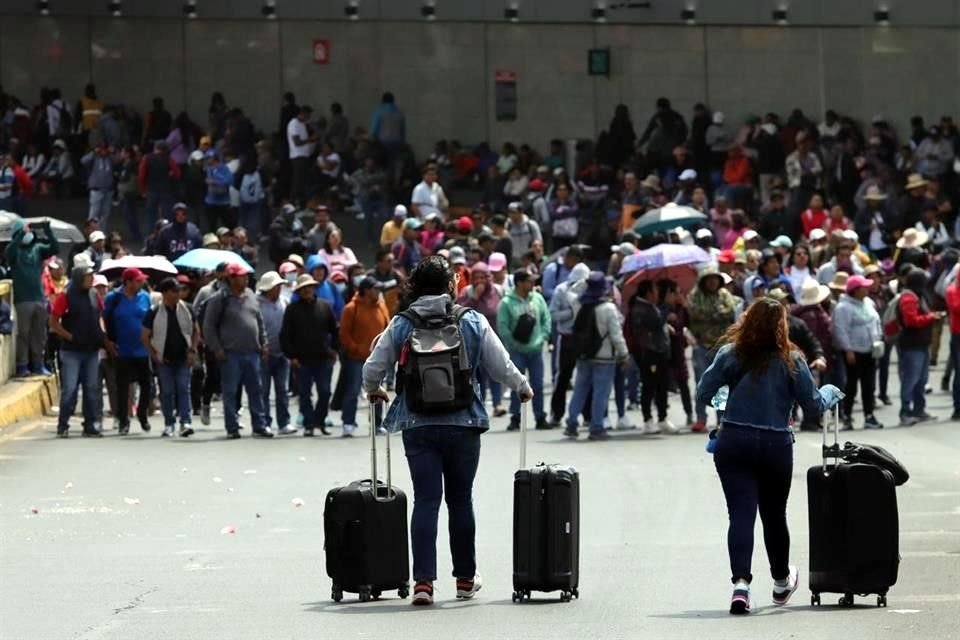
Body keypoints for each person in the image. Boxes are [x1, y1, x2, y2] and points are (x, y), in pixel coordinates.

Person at [361, 255, 531, 606]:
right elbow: (500, 364)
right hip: (463, 422)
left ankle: (423, 582)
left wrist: (374, 389)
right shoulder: (471, 320)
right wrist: (522, 386)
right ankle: (465, 579)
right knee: (460, 500)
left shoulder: (402, 323)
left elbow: (373, 367)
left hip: (417, 424)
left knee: (426, 500)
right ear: (451, 285)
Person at [696, 297, 842, 615]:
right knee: (774, 515)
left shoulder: (730, 354)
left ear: (747, 319)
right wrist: (830, 392)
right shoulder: (792, 359)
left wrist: (728, 399)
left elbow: (703, 392)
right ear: (782, 325)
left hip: (733, 440)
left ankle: (741, 585)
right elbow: (814, 405)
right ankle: (780, 581)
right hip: (776, 444)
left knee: (741, 515)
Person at [202, 262, 271, 439]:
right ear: (232, 278)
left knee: (256, 390)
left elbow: (259, 321)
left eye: (246, 275)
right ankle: (232, 427)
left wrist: (264, 343)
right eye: (241, 276)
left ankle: (259, 425)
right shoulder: (220, 299)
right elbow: (209, 326)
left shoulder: (251, 296)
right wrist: (216, 348)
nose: (246, 278)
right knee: (230, 391)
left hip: (252, 352)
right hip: (230, 353)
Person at [563, 272, 629, 441]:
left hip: (584, 355)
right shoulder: (609, 308)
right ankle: (596, 427)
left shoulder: (579, 304)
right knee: (601, 393)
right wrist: (624, 354)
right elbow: (616, 335)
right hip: (604, 357)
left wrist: (585, 282)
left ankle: (571, 423)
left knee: (580, 389)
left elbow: (571, 290)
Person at [50, 265, 106, 437]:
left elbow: (100, 317)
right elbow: (53, 322)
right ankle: (63, 424)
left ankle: (89, 425)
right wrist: (69, 337)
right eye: (88, 276)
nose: (91, 279)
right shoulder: (65, 296)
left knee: (91, 388)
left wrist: (103, 335)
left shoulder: (95, 295)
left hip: (91, 350)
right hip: (72, 351)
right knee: (70, 389)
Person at [281, 274, 340, 437]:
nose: (307, 290)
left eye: (310, 287)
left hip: (323, 358)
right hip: (302, 360)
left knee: (325, 392)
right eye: (303, 288)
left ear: (314, 288)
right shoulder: (292, 310)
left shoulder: (325, 307)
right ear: (299, 291)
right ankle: (308, 423)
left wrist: (335, 349)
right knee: (305, 394)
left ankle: (319, 421)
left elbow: (335, 330)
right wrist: (291, 356)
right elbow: (285, 335)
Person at [142, 277, 200, 438]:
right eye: (174, 291)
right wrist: (154, 354)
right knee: (167, 392)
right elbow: (145, 336)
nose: (178, 294)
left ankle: (185, 422)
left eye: (179, 290)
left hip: (183, 357)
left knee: (183, 389)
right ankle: (169, 424)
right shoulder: (154, 312)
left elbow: (196, 331)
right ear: (166, 293)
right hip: (164, 359)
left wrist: (192, 350)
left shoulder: (187, 309)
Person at [688, 266, 742, 432]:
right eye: (709, 279)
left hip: (722, 348)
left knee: (723, 383)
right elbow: (696, 313)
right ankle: (701, 418)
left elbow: (731, 310)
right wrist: (717, 314)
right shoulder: (695, 296)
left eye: (715, 278)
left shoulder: (724, 295)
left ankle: (722, 419)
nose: (712, 282)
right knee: (701, 382)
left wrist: (714, 314)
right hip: (702, 346)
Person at [497, 270, 551, 430]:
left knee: (538, 385)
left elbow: (546, 319)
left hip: (536, 351)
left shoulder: (538, 298)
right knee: (517, 385)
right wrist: (513, 344)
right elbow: (503, 327)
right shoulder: (507, 302)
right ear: (519, 283)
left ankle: (540, 417)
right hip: (516, 351)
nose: (532, 284)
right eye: (529, 281)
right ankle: (515, 417)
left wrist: (543, 338)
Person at [103, 268, 154, 435]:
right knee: (122, 386)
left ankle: (142, 414)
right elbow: (105, 319)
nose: (141, 283)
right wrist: (109, 341)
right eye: (138, 281)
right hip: (122, 350)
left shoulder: (145, 297)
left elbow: (150, 320)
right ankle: (123, 420)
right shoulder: (114, 298)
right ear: (128, 282)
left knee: (147, 385)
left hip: (143, 349)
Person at [5, 218, 59, 376]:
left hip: (39, 298)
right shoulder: (13, 251)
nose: (28, 234)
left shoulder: (38, 248)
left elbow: (54, 248)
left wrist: (47, 229)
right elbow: (10, 251)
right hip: (23, 300)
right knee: (23, 334)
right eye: (24, 232)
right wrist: (22, 231)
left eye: (29, 232)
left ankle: (38, 364)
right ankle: (22, 365)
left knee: (39, 334)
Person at [339, 276, 390, 435]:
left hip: (377, 358)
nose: (378, 292)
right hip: (356, 359)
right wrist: (356, 349)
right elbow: (344, 334)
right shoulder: (351, 308)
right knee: (352, 391)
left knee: (377, 391)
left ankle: (376, 424)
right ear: (367, 290)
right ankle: (348, 423)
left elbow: (388, 328)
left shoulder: (381, 306)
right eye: (375, 288)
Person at [831, 275, 883, 430]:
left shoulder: (868, 303)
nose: (867, 289)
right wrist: (847, 349)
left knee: (869, 384)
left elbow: (876, 321)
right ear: (855, 290)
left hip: (870, 350)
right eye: (864, 287)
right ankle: (847, 416)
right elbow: (841, 330)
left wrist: (878, 339)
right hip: (854, 352)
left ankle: (869, 415)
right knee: (851, 385)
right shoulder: (843, 307)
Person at [457, 263, 506, 417]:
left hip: (494, 338)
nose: (479, 281)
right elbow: (461, 312)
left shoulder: (497, 291)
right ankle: (481, 406)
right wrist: (475, 297)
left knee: (495, 371)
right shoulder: (466, 292)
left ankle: (497, 404)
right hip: (473, 341)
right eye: (476, 277)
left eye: (482, 277)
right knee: (478, 376)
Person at [629, 279, 678, 435]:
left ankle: (662, 418)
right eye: (655, 290)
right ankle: (648, 419)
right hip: (649, 353)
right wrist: (668, 305)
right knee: (649, 387)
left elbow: (658, 324)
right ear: (648, 292)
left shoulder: (650, 307)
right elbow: (655, 323)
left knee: (662, 386)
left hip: (660, 352)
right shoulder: (639, 308)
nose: (658, 293)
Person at [896, 269, 943, 426]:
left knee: (921, 380)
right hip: (911, 345)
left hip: (921, 344)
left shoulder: (919, 295)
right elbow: (911, 321)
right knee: (910, 379)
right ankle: (905, 411)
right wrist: (930, 317)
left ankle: (919, 410)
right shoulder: (909, 297)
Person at [547, 263, 591, 425]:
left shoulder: (590, 290)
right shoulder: (561, 290)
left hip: (585, 339)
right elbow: (552, 314)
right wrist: (572, 312)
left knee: (586, 377)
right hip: (566, 337)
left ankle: (588, 415)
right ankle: (556, 414)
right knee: (562, 378)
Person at [256, 271, 295, 436]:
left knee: (282, 390)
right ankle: (264, 423)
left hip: (282, 354)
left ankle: (284, 422)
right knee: (263, 391)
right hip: (263, 355)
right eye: (276, 286)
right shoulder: (256, 305)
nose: (279, 289)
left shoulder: (284, 302)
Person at [138, 140, 180, 228]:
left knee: (150, 216)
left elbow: (141, 176)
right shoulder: (169, 159)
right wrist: (170, 175)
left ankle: (149, 236)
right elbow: (177, 174)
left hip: (151, 190)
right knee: (167, 215)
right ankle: (168, 234)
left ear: (155, 148)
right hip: (166, 190)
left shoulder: (147, 158)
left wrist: (142, 190)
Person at [80, 143, 117, 227]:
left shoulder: (110, 158)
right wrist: (93, 152)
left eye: (105, 149)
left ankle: (102, 233)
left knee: (105, 214)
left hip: (108, 190)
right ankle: (90, 233)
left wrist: (113, 152)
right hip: (96, 189)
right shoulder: (94, 158)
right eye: (102, 149)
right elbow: (83, 161)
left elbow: (118, 160)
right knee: (93, 213)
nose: (104, 151)